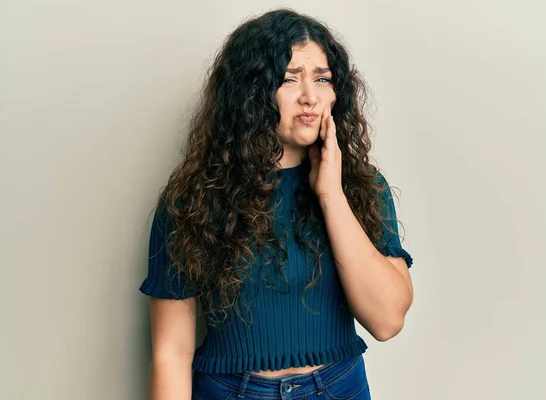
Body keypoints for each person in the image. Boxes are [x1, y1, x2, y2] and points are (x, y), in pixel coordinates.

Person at [139, 8, 414, 400]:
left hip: (338, 389)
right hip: (231, 391)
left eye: (322, 78)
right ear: (252, 92)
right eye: (288, 79)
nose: (310, 96)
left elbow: (387, 320)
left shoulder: (360, 187)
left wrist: (330, 194)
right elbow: (171, 352)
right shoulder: (193, 199)